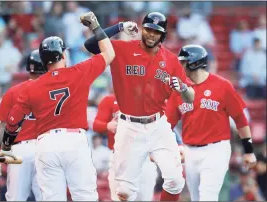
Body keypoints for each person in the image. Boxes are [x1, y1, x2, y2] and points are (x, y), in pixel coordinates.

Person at [0, 12, 115, 201]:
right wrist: (95, 26)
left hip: (46, 144)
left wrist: (6, 142)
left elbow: (12, 120)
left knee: (52, 198)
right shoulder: (78, 72)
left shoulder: (31, 87)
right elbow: (109, 53)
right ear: (62, 54)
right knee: (85, 196)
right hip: (74, 140)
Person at [85, 12, 195, 201]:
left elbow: (190, 97)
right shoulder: (122, 49)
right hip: (129, 126)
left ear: (163, 35)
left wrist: (183, 87)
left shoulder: (170, 60)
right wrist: (119, 27)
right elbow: (91, 45)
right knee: (124, 192)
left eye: (156, 32)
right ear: (142, 29)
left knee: (176, 181)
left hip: (157, 125)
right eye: (149, 29)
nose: (152, 34)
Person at [166, 45, 257, 201]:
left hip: (216, 149)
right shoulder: (179, 90)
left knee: (208, 196)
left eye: (183, 62)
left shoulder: (222, 86)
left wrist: (248, 150)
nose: (179, 66)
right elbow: (167, 125)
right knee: (196, 198)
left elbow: (240, 120)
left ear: (194, 63)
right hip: (190, 151)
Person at [0, 49, 45, 201]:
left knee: (15, 198)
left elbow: (3, 128)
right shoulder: (52, 91)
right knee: (48, 197)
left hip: (20, 150)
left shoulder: (13, 91)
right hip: (46, 148)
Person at [93, 93, 158, 201]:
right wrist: (107, 126)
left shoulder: (149, 99)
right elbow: (96, 125)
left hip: (144, 158)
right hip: (119, 157)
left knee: (144, 198)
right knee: (120, 199)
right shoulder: (110, 100)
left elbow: (165, 124)